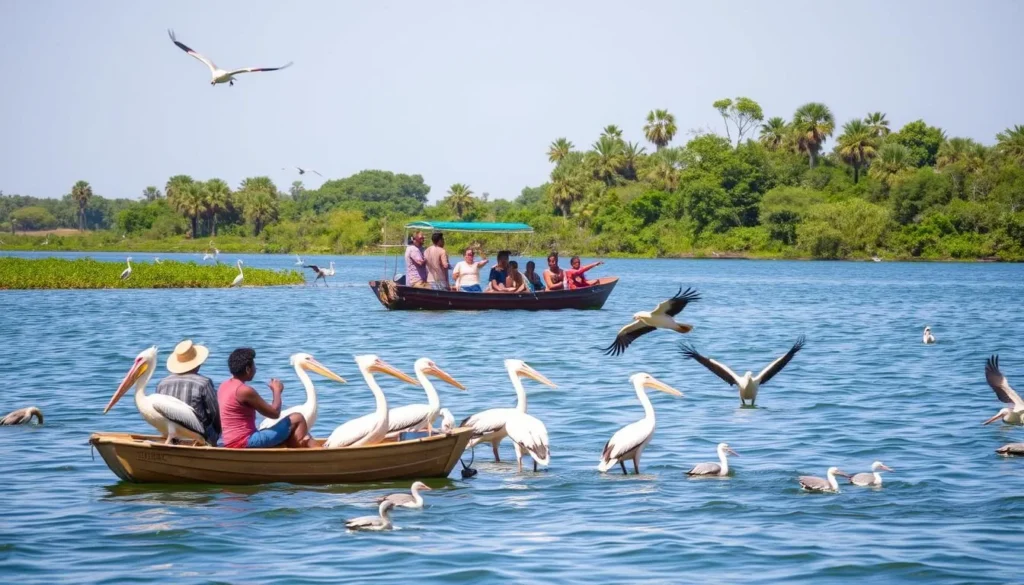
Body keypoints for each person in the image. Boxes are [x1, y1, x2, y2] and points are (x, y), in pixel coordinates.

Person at [218, 348, 316, 449]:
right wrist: (277, 390)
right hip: (245, 441)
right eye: (254, 365)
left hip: (230, 441)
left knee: (293, 430)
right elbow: (274, 413)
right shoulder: (244, 391)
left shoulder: (223, 386)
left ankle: (299, 450)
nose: (255, 368)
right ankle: (306, 453)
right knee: (297, 418)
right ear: (248, 369)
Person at [155, 340, 221, 445]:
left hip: (172, 435)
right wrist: (218, 431)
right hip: (197, 435)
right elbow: (215, 414)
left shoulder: (162, 384)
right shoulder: (204, 383)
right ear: (197, 363)